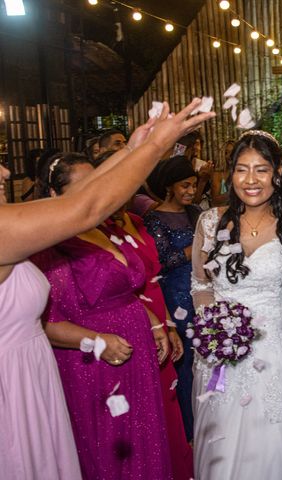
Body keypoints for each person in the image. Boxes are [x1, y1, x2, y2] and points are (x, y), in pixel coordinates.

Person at [0, 98, 213, 479]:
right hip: (11, 382)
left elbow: (81, 195)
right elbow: (84, 208)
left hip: (32, 373)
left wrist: (132, 149)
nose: (3, 170)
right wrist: (154, 149)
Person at [191, 131, 282, 479]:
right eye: (242, 170)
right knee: (227, 448)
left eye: (261, 169)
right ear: (231, 174)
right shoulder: (210, 221)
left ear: (277, 173)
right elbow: (201, 285)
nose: (251, 180)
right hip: (224, 356)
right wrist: (215, 327)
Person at [32, 153, 173, 479]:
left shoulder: (106, 228)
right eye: (82, 188)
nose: (92, 194)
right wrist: (99, 342)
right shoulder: (53, 244)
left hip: (137, 352)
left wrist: (153, 321)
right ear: (55, 195)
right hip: (95, 364)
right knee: (109, 451)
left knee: (145, 441)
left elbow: (126, 290)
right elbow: (47, 324)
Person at [106, 194, 194, 479]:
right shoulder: (103, 231)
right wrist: (155, 325)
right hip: (135, 317)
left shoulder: (137, 221)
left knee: (169, 395)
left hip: (160, 308)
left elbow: (155, 278)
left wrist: (168, 325)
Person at [144, 156, 201, 442]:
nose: (191, 191)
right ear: (170, 188)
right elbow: (161, 261)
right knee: (185, 361)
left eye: (194, 184)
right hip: (175, 297)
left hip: (200, 291)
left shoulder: (196, 213)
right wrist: (198, 246)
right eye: (185, 185)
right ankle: (188, 432)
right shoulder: (154, 218)